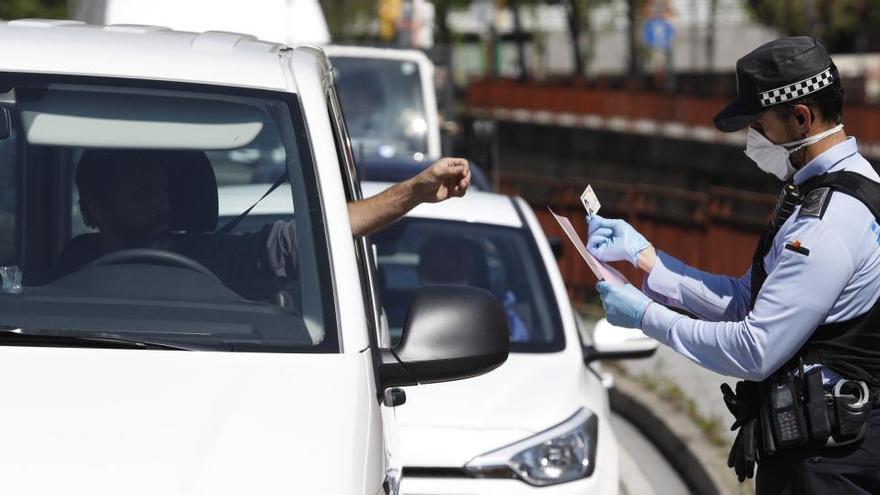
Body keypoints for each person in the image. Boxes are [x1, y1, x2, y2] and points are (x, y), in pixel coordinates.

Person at [588, 37, 880, 494]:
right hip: (813, 454)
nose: (753, 139)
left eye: (760, 124)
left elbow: (754, 348)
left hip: (829, 465)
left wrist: (645, 317)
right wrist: (648, 259)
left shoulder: (829, 221)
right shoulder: (820, 192)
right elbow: (748, 299)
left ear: (800, 117)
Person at [54, 149, 471, 301]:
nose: (164, 202)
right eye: (144, 193)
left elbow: (315, 237)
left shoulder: (218, 261)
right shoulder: (72, 265)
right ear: (100, 209)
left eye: (163, 189)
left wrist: (414, 192)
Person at [416, 234, 529, 342]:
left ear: (471, 271)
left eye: (456, 264)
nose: (446, 268)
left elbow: (518, 344)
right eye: (437, 266)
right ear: (420, 269)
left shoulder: (498, 312)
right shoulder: (402, 312)